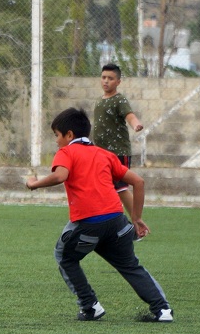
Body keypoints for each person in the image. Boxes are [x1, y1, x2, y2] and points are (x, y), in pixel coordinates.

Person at [26, 107, 173, 322]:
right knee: (130, 265)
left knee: (65, 257)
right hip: (116, 223)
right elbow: (138, 182)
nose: (56, 141)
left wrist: (34, 184)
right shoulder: (105, 154)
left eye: (56, 135)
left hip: (88, 224)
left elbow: (60, 176)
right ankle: (163, 310)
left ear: (69, 135)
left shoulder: (66, 152)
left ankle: (90, 306)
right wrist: (137, 218)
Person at [92, 63, 144, 221]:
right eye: (103, 77)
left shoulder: (119, 100)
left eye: (110, 78)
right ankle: (107, 220)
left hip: (118, 153)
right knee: (103, 188)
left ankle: (137, 223)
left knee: (121, 188)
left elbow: (129, 115)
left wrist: (135, 124)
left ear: (118, 82)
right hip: (101, 154)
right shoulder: (99, 100)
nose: (106, 81)